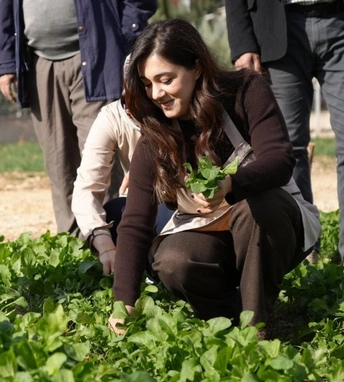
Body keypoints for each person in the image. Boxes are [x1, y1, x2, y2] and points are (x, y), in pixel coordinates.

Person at [108, 19, 321, 336]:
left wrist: (232, 184)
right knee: (173, 259)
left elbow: (279, 159)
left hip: (274, 227)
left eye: (166, 80)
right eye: (147, 83)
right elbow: (135, 223)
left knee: (256, 207)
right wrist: (123, 304)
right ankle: (228, 318)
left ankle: (256, 331)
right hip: (211, 243)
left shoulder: (245, 91)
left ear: (196, 68)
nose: (156, 93)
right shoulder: (154, 137)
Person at [0, 0, 158, 235]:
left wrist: (121, 41)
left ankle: (111, 243)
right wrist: (5, 63)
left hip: (96, 61)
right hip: (39, 63)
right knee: (59, 165)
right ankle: (73, 246)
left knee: (99, 162)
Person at [225, 0, 344, 263]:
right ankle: (303, 251)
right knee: (287, 149)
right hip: (277, 29)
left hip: (340, 20)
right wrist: (243, 44)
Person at [71, 95, 173, 276]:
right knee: (114, 213)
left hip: (182, 203)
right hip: (143, 203)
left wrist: (154, 173)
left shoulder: (180, 105)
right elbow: (87, 186)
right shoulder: (112, 116)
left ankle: (164, 267)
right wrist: (103, 242)